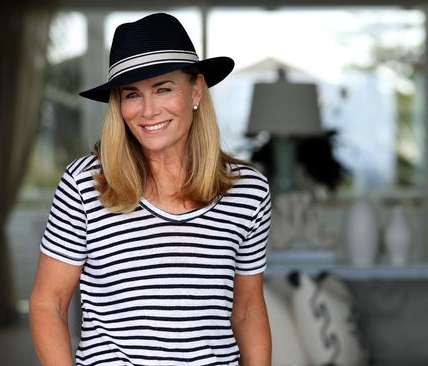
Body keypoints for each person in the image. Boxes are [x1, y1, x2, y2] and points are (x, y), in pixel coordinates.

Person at [29, 13, 271, 366]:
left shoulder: (247, 191)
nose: (147, 110)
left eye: (163, 88)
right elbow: (47, 303)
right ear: (119, 105)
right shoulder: (85, 184)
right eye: (132, 94)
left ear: (197, 89)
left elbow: (248, 311)